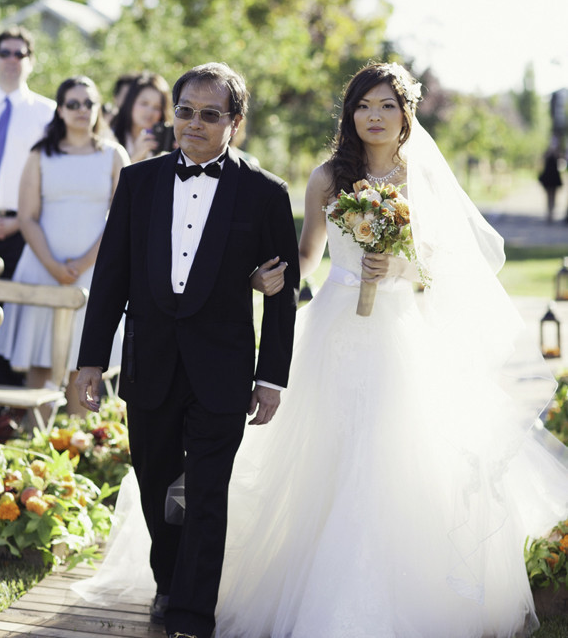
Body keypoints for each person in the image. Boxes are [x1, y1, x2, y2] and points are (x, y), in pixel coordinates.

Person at [76, 61, 568, 638]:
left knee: (378, 461)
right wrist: (272, 279)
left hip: (394, 335)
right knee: (254, 469)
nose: (374, 115)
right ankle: (185, 583)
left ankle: (199, 614)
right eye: (364, 105)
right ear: (350, 112)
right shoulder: (322, 178)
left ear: (406, 113)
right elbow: (303, 257)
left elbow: (441, 266)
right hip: (329, 326)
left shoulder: (414, 181)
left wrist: (401, 264)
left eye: (386, 105)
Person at [75, 61, 299, 638]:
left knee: (205, 493)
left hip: (222, 370)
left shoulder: (266, 192)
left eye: (210, 114)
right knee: (154, 483)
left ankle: (191, 615)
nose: (194, 124)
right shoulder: (139, 181)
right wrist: (91, 362)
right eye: (185, 111)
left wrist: (272, 377)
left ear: (235, 122)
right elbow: (112, 278)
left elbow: (284, 291)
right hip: (149, 363)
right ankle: (168, 580)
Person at [0, 76, 128, 415]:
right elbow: (27, 216)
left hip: (93, 271)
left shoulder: (114, 155)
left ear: (99, 108)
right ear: (60, 109)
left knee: (84, 366)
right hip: (42, 266)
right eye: (73, 103)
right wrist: (54, 265)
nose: (82, 110)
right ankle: (35, 447)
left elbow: (121, 219)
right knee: (40, 361)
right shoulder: (41, 153)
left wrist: (84, 262)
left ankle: (79, 448)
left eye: (89, 103)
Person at [0, 27, 56, 385]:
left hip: (24, 229)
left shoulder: (48, 114)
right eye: (5, 52)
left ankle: (6, 410)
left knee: (14, 317)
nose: (12, 60)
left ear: (30, 62)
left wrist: (21, 220)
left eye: (20, 54)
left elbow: (52, 177)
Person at [110, 72, 174, 162]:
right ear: (131, 102)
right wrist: (136, 157)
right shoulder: (110, 138)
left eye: (157, 107)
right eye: (144, 103)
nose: (149, 112)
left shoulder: (167, 144)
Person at [538, 143, 562, 223]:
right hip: (548, 177)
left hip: (554, 178)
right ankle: (549, 213)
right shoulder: (547, 154)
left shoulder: (557, 154)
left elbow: (561, 160)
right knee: (548, 196)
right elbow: (542, 161)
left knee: (553, 196)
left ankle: (551, 212)